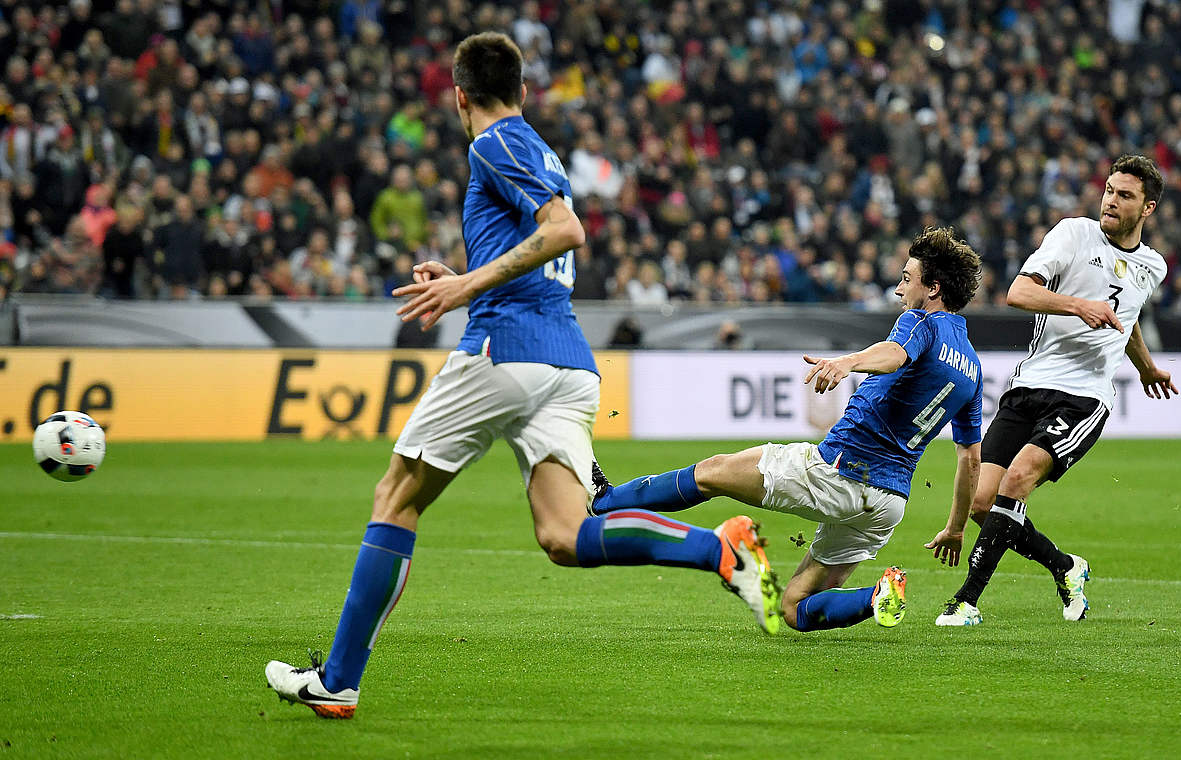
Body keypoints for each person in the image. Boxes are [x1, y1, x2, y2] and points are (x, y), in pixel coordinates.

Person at [265, 32, 778, 719]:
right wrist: (469, 280)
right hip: (567, 360)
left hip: (506, 350)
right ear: (526, 90)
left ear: (458, 96)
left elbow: (565, 232)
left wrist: (467, 287)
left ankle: (339, 680)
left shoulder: (494, 141)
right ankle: (716, 551)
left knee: (396, 497)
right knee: (564, 536)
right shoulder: (540, 148)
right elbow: (536, 249)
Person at [592, 228, 985, 634]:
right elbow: (971, 459)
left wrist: (849, 362)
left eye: (907, 278)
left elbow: (893, 354)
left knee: (711, 472)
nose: (899, 288)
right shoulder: (972, 367)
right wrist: (955, 528)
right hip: (888, 505)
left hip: (839, 472)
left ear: (933, 288)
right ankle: (877, 595)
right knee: (794, 609)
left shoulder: (921, 323)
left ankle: (605, 502)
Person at [935, 154, 1178, 627]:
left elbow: (1124, 321)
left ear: (1147, 209)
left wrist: (1147, 367)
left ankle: (966, 600)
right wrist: (1076, 306)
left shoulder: (1153, 267)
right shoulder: (1073, 234)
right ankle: (1066, 567)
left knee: (1016, 482)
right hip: (1029, 386)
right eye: (1109, 189)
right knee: (984, 502)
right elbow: (1018, 292)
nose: (1111, 200)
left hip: (1084, 396)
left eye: (1125, 195)